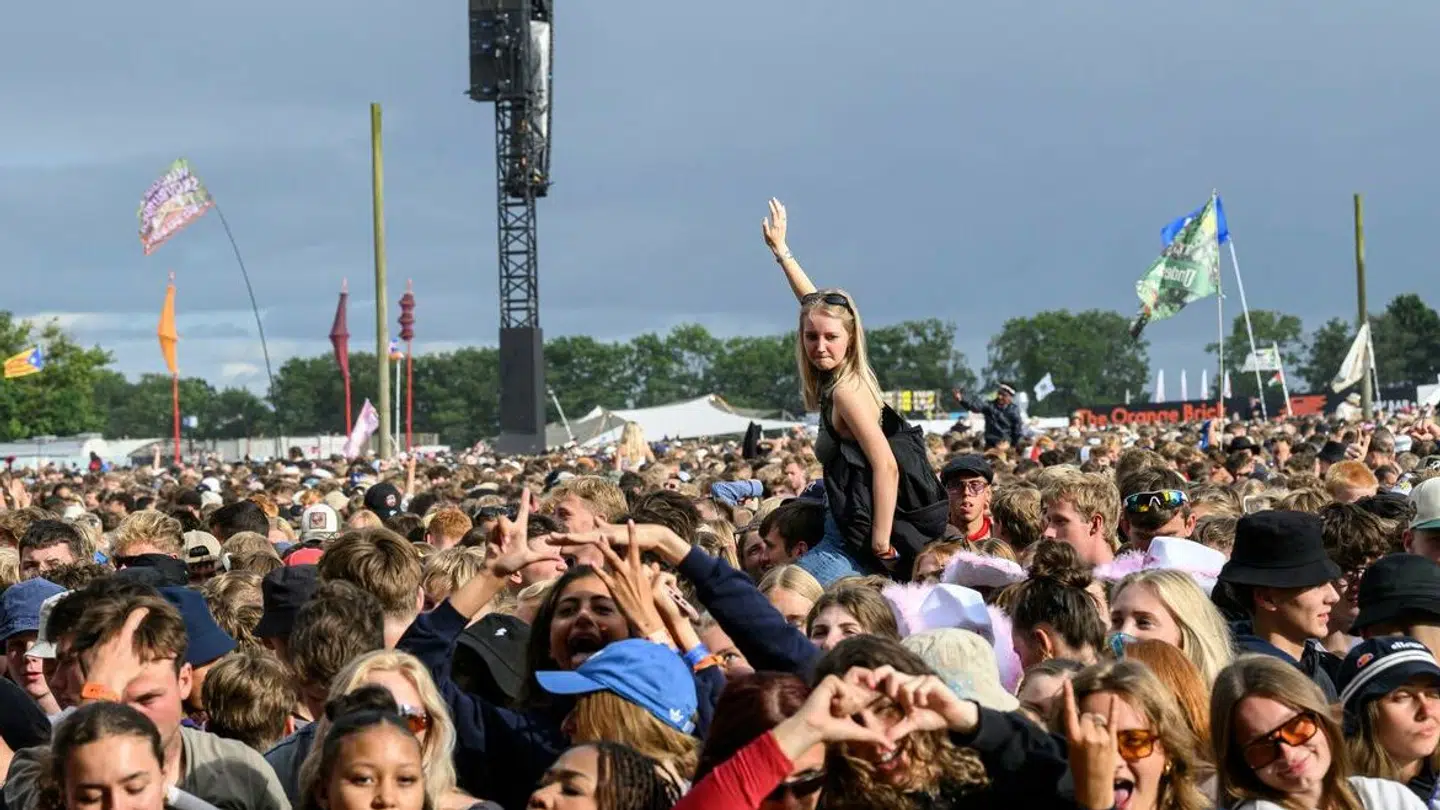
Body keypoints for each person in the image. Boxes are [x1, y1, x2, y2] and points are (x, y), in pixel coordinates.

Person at [762, 198, 902, 583]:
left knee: (780, 593)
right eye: (811, 336)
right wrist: (782, 253)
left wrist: (880, 545)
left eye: (830, 337)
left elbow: (886, 465)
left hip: (847, 544)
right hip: (840, 530)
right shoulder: (852, 375)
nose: (819, 345)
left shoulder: (847, 391)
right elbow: (815, 306)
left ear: (850, 337)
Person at [1211, 655, 1425, 809]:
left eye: (1295, 727)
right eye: (1262, 746)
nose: (1287, 753)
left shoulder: (1385, 797)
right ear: (1239, 761)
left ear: (1322, 719)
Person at [1337, 637, 1440, 807]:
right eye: (1403, 696)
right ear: (1362, 717)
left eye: (1433, 694)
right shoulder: (1335, 797)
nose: (1426, 711)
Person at [953, 385, 1024, 450]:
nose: (1000, 397)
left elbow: (1017, 430)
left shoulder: (1014, 410)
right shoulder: (990, 406)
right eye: (999, 394)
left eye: (1003, 395)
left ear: (1010, 397)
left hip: (1005, 444)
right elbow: (975, 406)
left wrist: (1013, 445)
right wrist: (961, 399)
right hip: (990, 443)